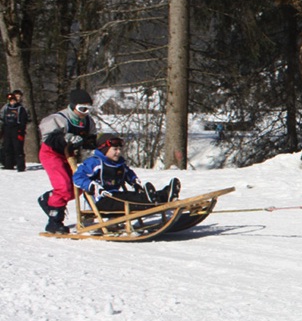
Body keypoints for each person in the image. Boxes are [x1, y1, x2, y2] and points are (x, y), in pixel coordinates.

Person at [38, 89, 99, 233]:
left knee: (76, 188)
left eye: (88, 109)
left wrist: (89, 143)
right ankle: (54, 222)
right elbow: (49, 138)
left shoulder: (87, 121)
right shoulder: (60, 119)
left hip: (69, 155)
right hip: (51, 153)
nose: (85, 112)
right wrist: (66, 138)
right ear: (72, 106)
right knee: (63, 186)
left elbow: (91, 139)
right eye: (82, 109)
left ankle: (49, 199)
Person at [73, 133, 181, 213]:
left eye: (120, 149)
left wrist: (135, 182)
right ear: (104, 149)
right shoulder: (95, 162)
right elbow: (77, 177)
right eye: (115, 149)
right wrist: (92, 186)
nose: (118, 152)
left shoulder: (119, 164)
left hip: (116, 196)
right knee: (132, 200)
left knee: (132, 196)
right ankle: (150, 199)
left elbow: (129, 173)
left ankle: (165, 194)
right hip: (103, 201)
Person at [1, 91, 29, 171]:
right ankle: (8, 165)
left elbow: (24, 120)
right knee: (7, 147)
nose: (12, 102)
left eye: (13, 100)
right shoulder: (6, 108)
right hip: (7, 129)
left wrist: (21, 131)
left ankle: (20, 166)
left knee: (18, 148)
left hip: (17, 130)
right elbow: (2, 119)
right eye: (10, 100)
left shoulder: (21, 109)